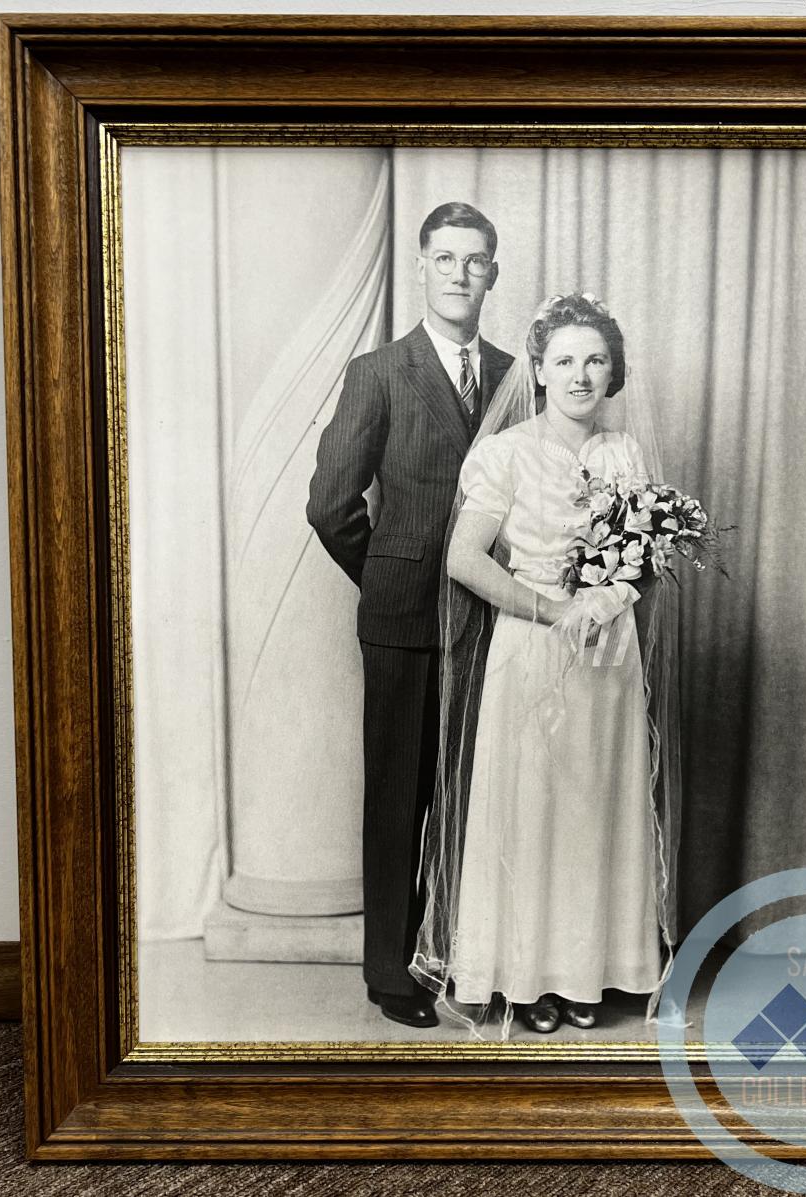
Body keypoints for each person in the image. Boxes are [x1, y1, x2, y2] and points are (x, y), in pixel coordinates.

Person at [410, 293, 683, 1036]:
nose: (580, 375)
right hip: (532, 647)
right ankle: (529, 977)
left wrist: (616, 591)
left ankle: (589, 968)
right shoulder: (505, 452)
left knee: (597, 803)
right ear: (536, 369)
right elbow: (464, 559)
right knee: (534, 805)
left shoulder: (623, 453)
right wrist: (558, 609)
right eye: (563, 360)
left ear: (613, 371)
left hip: (609, 658)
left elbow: (649, 552)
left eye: (595, 360)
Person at [306, 202, 513, 1029]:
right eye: (445, 259)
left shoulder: (514, 371)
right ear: (422, 269)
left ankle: (465, 951)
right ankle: (391, 969)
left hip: (495, 620)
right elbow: (330, 506)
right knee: (399, 792)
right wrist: (386, 575)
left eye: (475, 260)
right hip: (401, 620)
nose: (460, 274)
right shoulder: (379, 371)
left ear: (492, 274)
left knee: (476, 788)